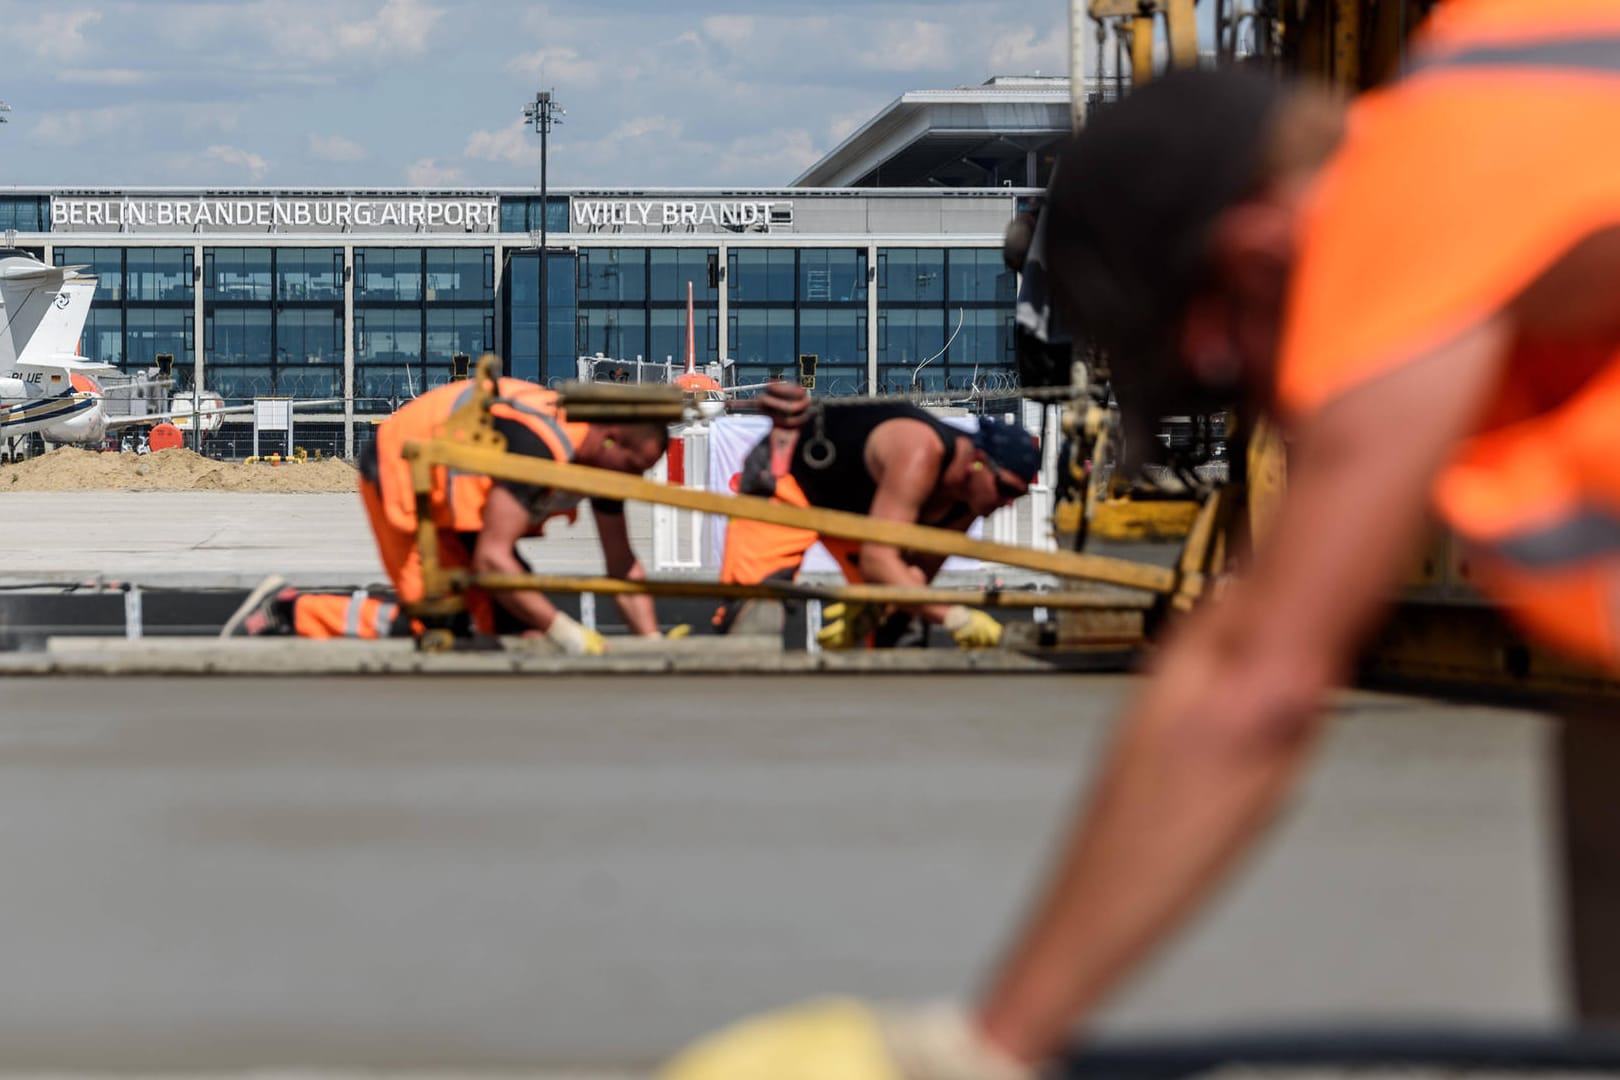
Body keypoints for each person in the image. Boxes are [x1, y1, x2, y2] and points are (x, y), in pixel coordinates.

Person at [661, 2, 1620, 1076]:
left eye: (1220, 372)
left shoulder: (1386, 225)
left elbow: (1249, 680)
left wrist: (983, 1048)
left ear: (1246, 264)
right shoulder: (1515, 68)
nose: (1274, 400)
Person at [224, 375, 670, 654]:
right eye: (635, 468)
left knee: (514, 626)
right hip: (403, 473)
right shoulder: (543, 445)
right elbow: (494, 559)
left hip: (463, 502)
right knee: (437, 626)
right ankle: (289, 611)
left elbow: (621, 562)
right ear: (612, 439)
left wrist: (652, 646)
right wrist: (565, 631)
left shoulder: (599, 461)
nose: (638, 480)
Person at [714, 380, 1039, 650]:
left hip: (859, 515)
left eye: (1018, 495)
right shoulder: (920, 453)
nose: (1008, 502)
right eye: (1006, 489)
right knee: (754, 615)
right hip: (790, 484)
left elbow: (917, 575)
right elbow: (877, 559)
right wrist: (957, 618)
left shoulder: (967, 500)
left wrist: (877, 608)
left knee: (902, 622)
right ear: (977, 462)